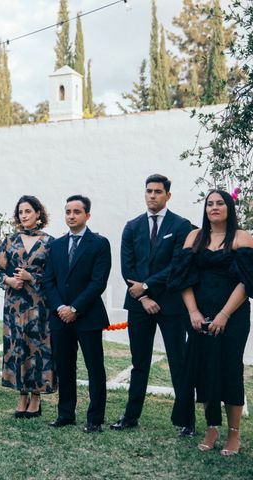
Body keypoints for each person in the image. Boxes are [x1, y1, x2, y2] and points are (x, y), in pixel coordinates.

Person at [169, 190, 253, 456]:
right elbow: (183, 277)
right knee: (204, 370)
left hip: (233, 316)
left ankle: (234, 433)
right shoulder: (194, 237)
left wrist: (224, 315)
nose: (214, 208)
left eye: (220, 203)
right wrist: (193, 312)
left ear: (229, 207)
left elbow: (246, 282)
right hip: (199, 317)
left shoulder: (242, 237)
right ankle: (211, 427)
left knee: (230, 370)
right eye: (210, 204)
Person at [111, 174, 194, 435]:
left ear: (168, 195)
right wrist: (143, 296)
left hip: (170, 304)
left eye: (158, 191)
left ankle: (186, 421)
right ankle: (131, 416)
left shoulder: (181, 226)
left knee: (178, 362)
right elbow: (128, 267)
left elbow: (177, 266)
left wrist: (147, 287)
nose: (152, 196)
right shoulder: (132, 226)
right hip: (139, 305)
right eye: (148, 191)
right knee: (139, 362)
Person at [44, 195, 111, 433]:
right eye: (68, 212)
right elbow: (48, 280)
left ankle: (95, 419)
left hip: (88, 316)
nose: (71, 216)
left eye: (76, 212)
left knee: (95, 368)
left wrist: (75, 308)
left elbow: (98, 282)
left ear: (87, 216)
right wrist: (61, 308)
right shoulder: (56, 245)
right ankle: (66, 414)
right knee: (65, 367)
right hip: (60, 317)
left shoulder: (99, 244)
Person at [0, 195, 56, 418]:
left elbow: (54, 276)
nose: (24, 216)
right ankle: (21, 395)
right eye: (21, 212)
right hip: (14, 305)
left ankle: (36, 397)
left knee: (37, 348)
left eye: (28, 211)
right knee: (17, 347)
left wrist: (32, 277)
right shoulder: (9, 240)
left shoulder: (50, 242)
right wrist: (8, 280)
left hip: (39, 305)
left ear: (38, 213)